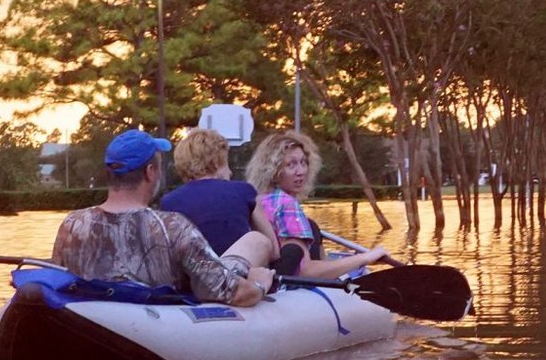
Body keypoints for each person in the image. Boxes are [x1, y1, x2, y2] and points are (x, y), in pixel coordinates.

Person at [50, 129, 270, 307]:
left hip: (98, 319)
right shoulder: (173, 227)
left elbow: (57, 280)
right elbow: (236, 294)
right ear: (150, 172)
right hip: (157, 327)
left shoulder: (72, 225)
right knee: (257, 242)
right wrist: (258, 284)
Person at [244, 128, 392, 280]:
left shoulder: (257, 199)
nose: (300, 171)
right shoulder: (286, 204)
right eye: (291, 165)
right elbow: (304, 271)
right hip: (288, 287)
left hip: (265, 279)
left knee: (312, 225)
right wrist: (366, 258)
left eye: (303, 162)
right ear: (274, 170)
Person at [159, 127, 283, 270]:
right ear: (217, 162)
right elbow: (273, 251)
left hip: (190, 282)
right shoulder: (244, 191)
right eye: (226, 163)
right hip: (234, 281)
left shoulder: (168, 201)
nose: (230, 173)